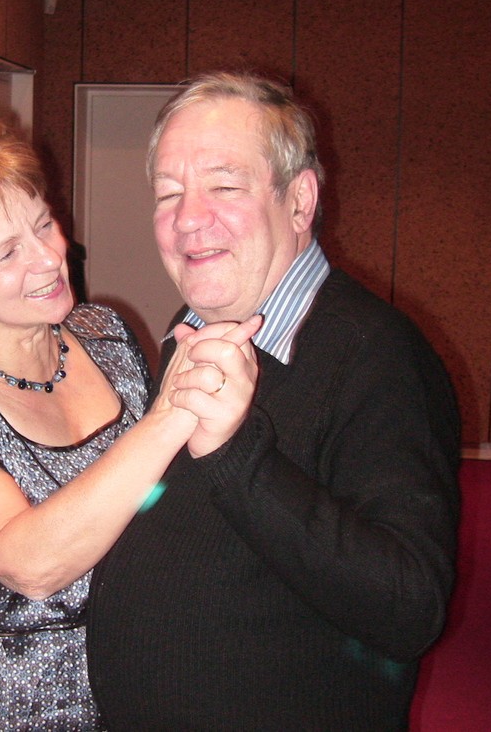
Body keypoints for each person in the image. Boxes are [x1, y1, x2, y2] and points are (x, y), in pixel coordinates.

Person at [86, 72, 462, 730]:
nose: (186, 219)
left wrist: (239, 457)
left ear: (300, 201)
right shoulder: (191, 331)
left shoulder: (378, 357)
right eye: (168, 193)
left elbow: (409, 609)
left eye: (224, 186)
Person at [0, 115, 256, 731]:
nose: (50, 257)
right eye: (8, 252)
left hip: (154, 668)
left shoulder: (104, 333)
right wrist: (172, 413)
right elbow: (29, 564)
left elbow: (156, 492)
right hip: (40, 706)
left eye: (43, 224)